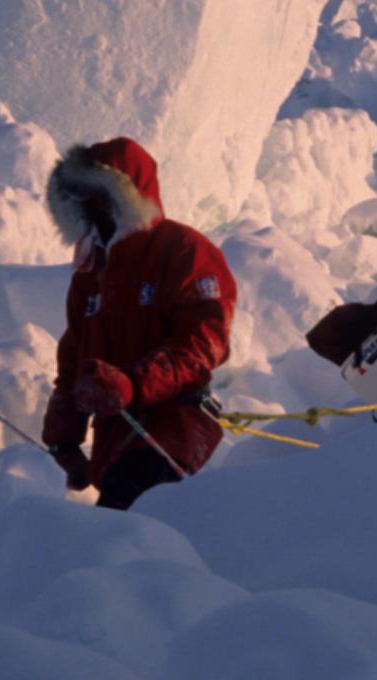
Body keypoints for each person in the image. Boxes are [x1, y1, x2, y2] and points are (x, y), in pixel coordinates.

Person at [40, 137, 235, 510]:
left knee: (128, 521)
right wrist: (63, 439)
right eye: (83, 196)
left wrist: (133, 383)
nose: (93, 206)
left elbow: (203, 345)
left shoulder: (185, 251)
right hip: (116, 436)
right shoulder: (90, 270)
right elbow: (75, 354)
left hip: (176, 427)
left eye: (101, 194)